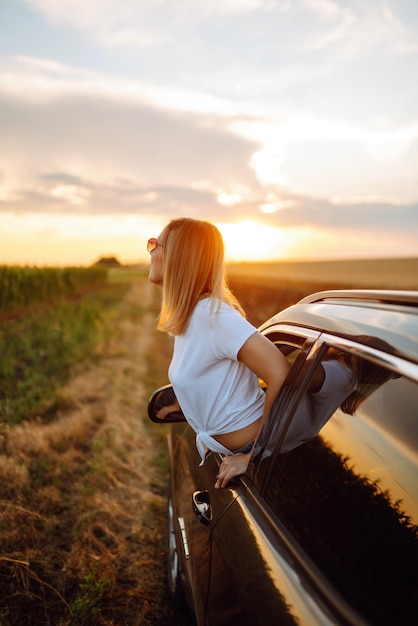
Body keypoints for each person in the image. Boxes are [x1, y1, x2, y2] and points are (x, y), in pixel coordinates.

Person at [147, 217, 290, 488]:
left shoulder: (213, 316)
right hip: (229, 450)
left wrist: (254, 454)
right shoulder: (193, 317)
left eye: (155, 244)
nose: (151, 251)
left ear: (178, 255)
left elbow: (280, 372)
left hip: (246, 450)